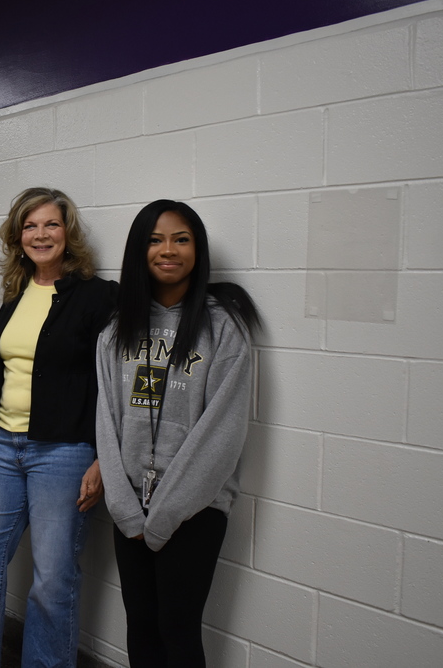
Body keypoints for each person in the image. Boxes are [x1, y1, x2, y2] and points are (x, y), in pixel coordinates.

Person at [0, 187, 116, 668]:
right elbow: (3, 376)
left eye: (51, 224)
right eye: (30, 225)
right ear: (17, 234)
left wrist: (104, 456)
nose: (40, 234)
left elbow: (114, 385)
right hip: (3, 447)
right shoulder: (16, 295)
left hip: (65, 453)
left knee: (52, 579)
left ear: (69, 233)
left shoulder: (98, 297)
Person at [95, 200, 260, 668]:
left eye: (181, 239)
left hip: (194, 509)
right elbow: (106, 422)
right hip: (131, 508)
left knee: (178, 630)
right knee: (141, 628)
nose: (168, 250)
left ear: (198, 249)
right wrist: (126, 508)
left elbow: (222, 435)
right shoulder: (115, 331)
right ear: (137, 250)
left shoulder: (223, 328)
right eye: (155, 239)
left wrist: (165, 514)